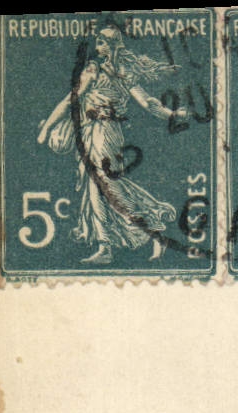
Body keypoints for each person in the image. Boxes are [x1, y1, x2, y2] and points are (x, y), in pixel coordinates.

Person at [36, 27, 189, 264]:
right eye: (98, 43)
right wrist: (47, 127)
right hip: (90, 132)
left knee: (106, 183)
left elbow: (147, 102)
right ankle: (105, 245)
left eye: (102, 43)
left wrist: (170, 114)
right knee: (95, 187)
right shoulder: (96, 70)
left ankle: (151, 231)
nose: (98, 48)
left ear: (112, 45)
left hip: (105, 133)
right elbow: (73, 99)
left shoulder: (115, 72)